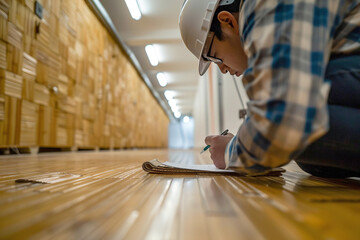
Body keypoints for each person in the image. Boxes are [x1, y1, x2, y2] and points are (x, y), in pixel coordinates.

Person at [179, 0, 360, 177]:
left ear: (227, 21)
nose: (223, 69)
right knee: (303, 153)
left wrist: (230, 151)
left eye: (215, 57)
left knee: (293, 121)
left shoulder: (264, 5)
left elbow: (280, 117)